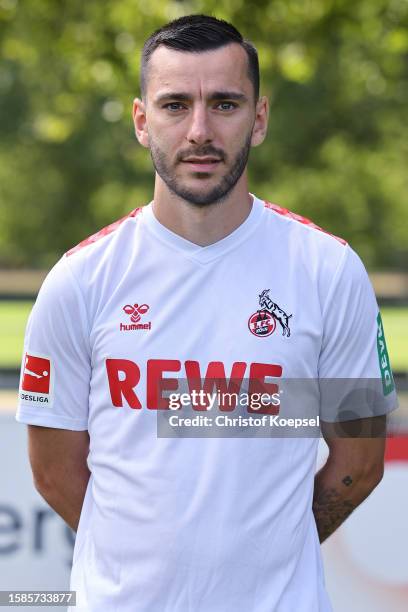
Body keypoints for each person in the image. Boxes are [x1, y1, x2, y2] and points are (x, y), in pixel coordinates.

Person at [16, 14, 397, 612]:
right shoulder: (80, 281)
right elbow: (55, 471)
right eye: (174, 105)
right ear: (142, 121)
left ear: (260, 118)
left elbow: (359, 462)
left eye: (224, 104)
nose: (199, 130)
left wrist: (272, 551)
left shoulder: (329, 270)